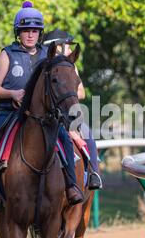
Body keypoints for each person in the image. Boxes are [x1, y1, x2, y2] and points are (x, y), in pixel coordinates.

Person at [0, 1, 83, 213]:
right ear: (18, 33)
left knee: (64, 137)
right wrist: (12, 94)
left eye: (35, 31)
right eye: (26, 30)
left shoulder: (49, 54)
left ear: (40, 33)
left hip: (43, 115)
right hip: (11, 113)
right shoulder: (7, 54)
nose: (30, 35)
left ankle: (72, 186)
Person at [43, 29, 103, 190]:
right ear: (57, 47)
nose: (69, 49)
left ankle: (93, 174)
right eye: (67, 45)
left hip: (67, 113)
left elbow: (81, 92)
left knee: (87, 133)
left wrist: (65, 91)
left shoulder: (70, 65)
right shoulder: (44, 64)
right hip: (48, 114)